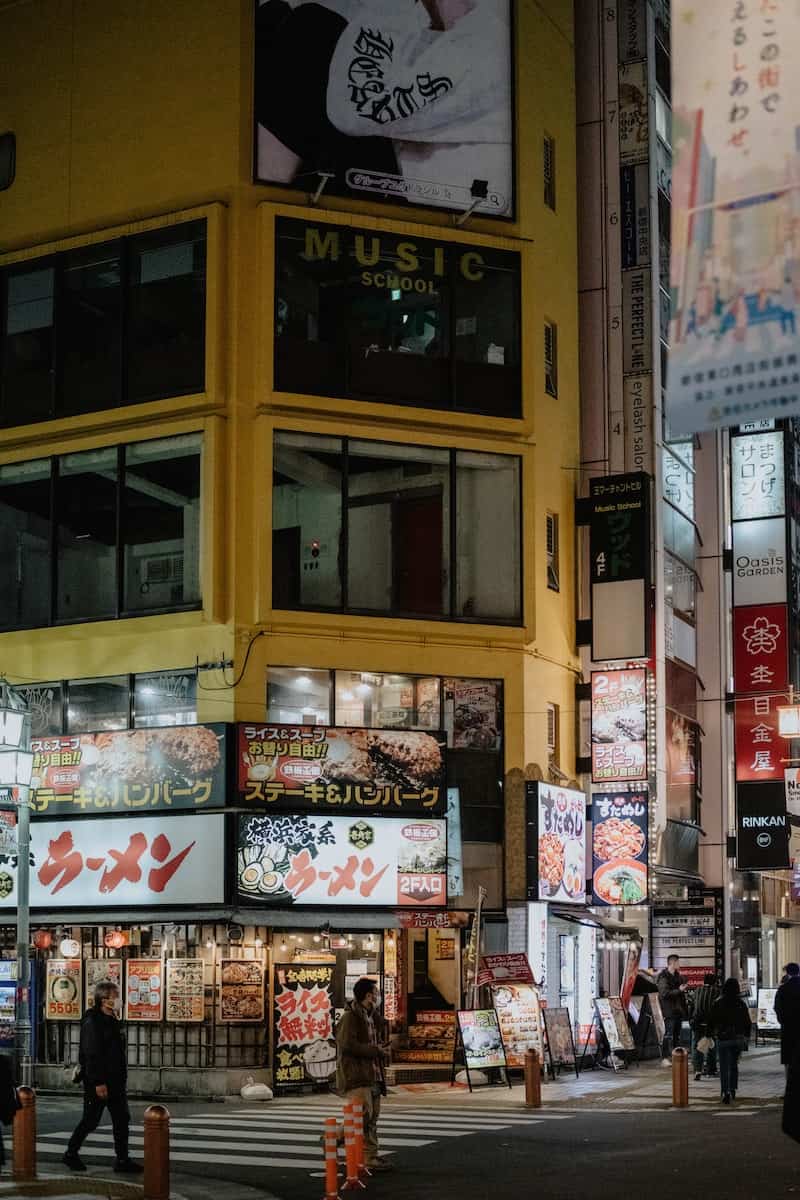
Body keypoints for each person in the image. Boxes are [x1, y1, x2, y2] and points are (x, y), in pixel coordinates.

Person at [63, 981, 141, 1174]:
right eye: (116, 996)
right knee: (90, 1120)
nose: (119, 1000)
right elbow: (92, 1053)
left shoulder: (112, 1019)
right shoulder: (93, 1021)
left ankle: (122, 1159)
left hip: (115, 1080)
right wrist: (98, 1082)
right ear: (104, 1000)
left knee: (122, 1119)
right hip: (98, 1081)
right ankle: (71, 1153)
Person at [336, 976, 391, 1173]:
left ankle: (370, 1157)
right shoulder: (350, 1018)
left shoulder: (371, 1016)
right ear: (368, 995)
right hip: (356, 1074)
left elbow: (379, 1035)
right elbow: (347, 1045)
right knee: (361, 1115)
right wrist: (375, 1051)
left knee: (372, 1117)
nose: (378, 997)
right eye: (376, 993)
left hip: (374, 1073)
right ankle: (333, 1138)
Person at [709, 977, 751, 1104]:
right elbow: (747, 1022)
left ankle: (725, 1091)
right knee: (733, 1065)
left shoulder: (718, 1002)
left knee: (723, 1066)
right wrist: (746, 1036)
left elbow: (712, 1021)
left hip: (723, 1039)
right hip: (737, 1039)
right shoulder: (741, 1003)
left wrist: (709, 1034)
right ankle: (733, 1089)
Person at [657, 954, 689, 1065]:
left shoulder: (678, 976)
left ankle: (677, 1057)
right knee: (668, 1034)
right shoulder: (663, 977)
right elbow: (664, 993)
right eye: (678, 962)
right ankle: (665, 1058)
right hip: (668, 1010)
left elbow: (680, 995)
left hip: (678, 1010)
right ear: (672, 963)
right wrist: (679, 990)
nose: (679, 965)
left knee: (677, 1035)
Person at [690, 973, 720, 1081]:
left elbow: (692, 1006)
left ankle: (697, 1069)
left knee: (696, 1046)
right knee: (711, 1044)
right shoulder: (717, 991)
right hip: (710, 1023)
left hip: (697, 1023)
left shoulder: (697, 991)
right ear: (714, 982)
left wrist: (691, 1020)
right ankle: (711, 1069)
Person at [775, 962, 800, 1078]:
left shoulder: (783, 989)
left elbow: (777, 1008)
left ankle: (789, 1090)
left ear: (787, 973)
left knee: (788, 1060)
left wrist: (783, 1021)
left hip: (788, 1029)